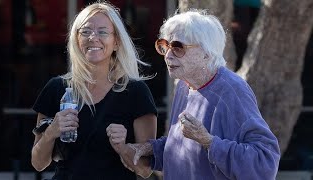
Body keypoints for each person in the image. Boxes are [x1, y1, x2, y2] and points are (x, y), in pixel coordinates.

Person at [114, 9, 281, 180]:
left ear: (207, 53)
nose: (168, 55)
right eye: (165, 45)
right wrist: (148, 148)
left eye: (178, 47)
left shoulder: (232, 90)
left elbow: (265, 163)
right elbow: (184, 148)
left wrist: (208, 141)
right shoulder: (184, 85)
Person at [31, 2, 157, 180]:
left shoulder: (136, 92)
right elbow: (38, 163)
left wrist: (122, 147)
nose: (93, 37)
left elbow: (145, 170)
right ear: (76, 39)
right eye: (86, 31)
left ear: (116, 42)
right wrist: (51, 132)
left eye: (103, 32)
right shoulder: (56, 88)